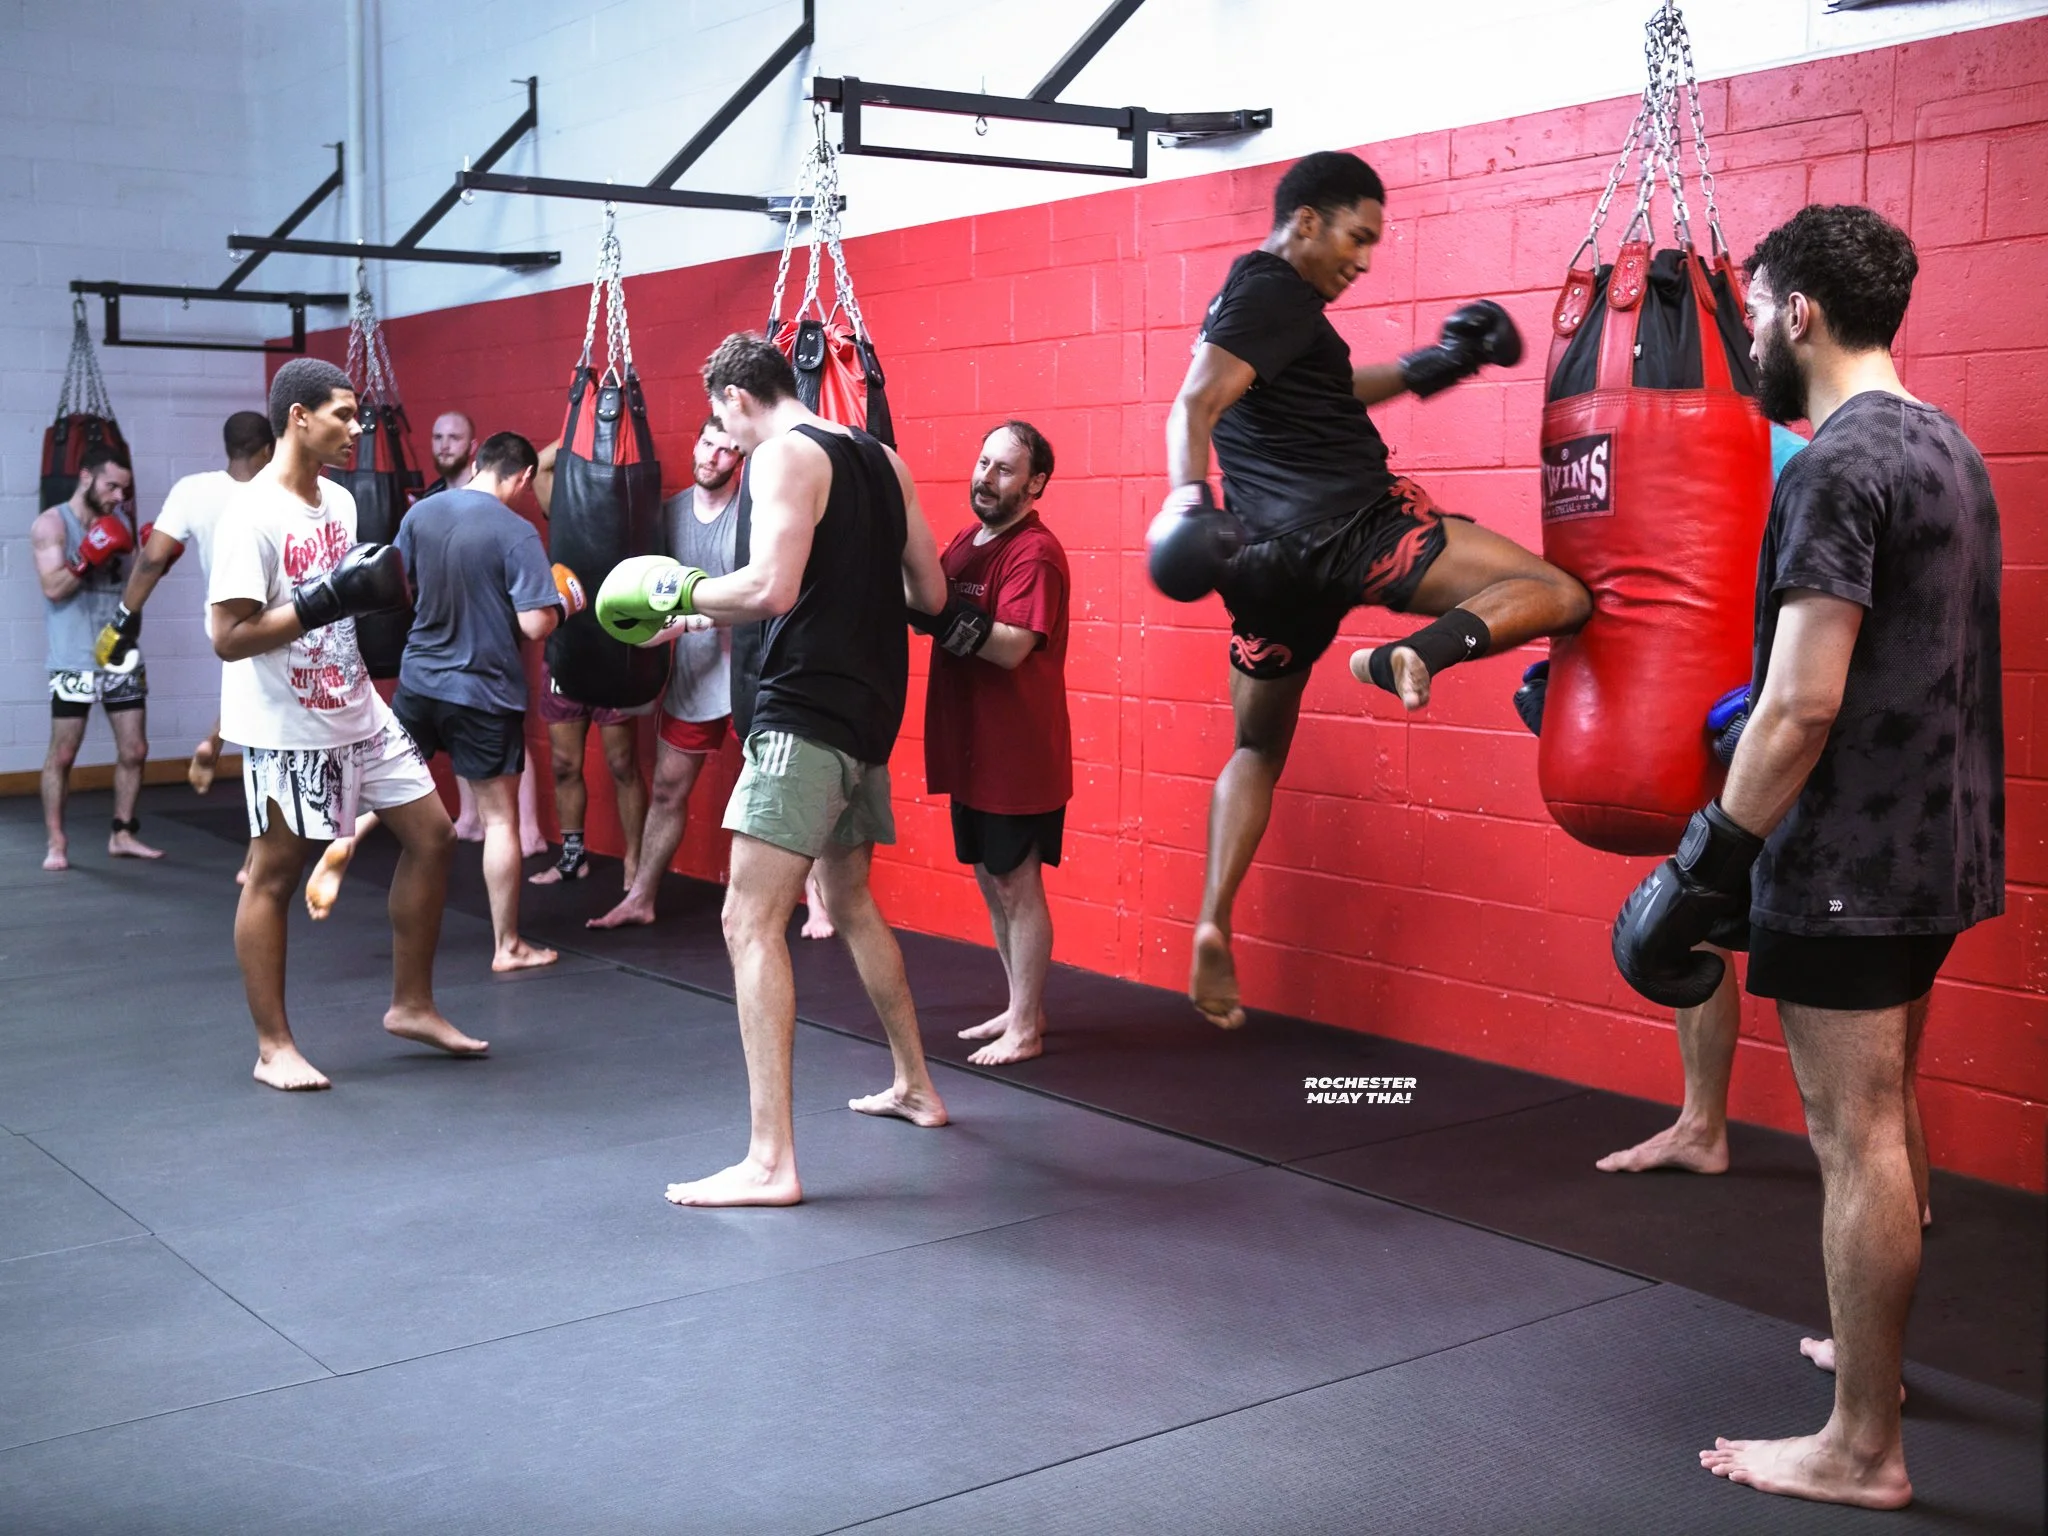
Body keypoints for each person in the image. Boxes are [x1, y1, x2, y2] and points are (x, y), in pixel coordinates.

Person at [1611, 205, 2003, 1509]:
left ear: (1802, 314)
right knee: (1892, 1108)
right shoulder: (1949, 446)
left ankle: (1860, 1447)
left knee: (1856, 1132)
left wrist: (1712, 856)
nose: (1749, 343)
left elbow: (1803, 699)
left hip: (1849, 854)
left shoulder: (1833, 465)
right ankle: (1872, 1367)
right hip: (1937, 845)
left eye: (1759, 312)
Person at [1153, 150, 1591, 1029]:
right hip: (1363, 533)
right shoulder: (1269, 288)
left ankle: (1212, 918)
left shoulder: (1270, 315)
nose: (1364, 258)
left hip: (1266, 572)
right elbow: (1190, 404)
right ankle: (1410, 654)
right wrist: (1183, 497)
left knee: (1255, 750)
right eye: (1357, 236)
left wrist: (1440, 363)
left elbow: (1336, 389)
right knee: (1560, 593)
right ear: (1306, 220)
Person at [596, 332, 950, 1208]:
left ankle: (770, 1162)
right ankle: (917, 1085)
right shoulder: (881, 459)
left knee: (747, 920)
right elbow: (932, 598)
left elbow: (767, 591)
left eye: (723, 419)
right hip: (869, 719)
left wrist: (675, 593)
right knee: (853, 899)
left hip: (804, 716)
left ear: (737, 399)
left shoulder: (784, 454)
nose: (726, 439)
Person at [210, 356, 486, 1091]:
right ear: (298, 418)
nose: (356, 428)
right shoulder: (250, 514)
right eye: (343, 414)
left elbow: (336, 603)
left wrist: (358, 599)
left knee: (432, 837)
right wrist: (322, 602)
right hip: (285, 724)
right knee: (273, 874)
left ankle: (412, 1005)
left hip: (357, 705)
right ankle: (274, 1048)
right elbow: (227, 636)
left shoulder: (340, 502)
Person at [304, 432, 573, 971]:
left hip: (420, 681)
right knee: (499, 821)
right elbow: (533, 623)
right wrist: (565, 604)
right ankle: (507, 946)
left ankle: (347, 840)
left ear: (476, 463)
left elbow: (394, 585)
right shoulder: (517, 532)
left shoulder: (421, 514)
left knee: (394, 782)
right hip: (484, 692)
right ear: (522, 479)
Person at [914, 420, 1071, 1066]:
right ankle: (1019, 1005)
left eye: (1004, 469)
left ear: (1035, 484)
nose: (985, 477)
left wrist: (936, 611)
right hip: (970, 744)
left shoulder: (1033, 552)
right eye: (983, 462)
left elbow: (1009, 647)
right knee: (989, 878)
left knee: (1017, 883)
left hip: (1017, 751)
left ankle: (1028, 1028)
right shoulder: (966, 541)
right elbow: (929, 596)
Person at [586, 417, 744, 929]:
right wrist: (665, 626)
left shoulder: (756, 515)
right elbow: (646, 602)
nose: (712, 456)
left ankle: (818, 897)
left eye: (726, 449)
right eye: (707, 443)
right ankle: (642, 897)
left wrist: (705, 615)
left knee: (781, 794)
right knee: (670, 789)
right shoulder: (667, 518)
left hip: (751, 678)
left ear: (740, 459)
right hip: (694, 677)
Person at [100, 411, 276, 802]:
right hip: (275, 623)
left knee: (254, 696)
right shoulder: (281, 492)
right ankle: (257, 850)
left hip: (223, 625)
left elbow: (150, 560)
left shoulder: (192, 490)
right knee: (269, 727)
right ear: (269, 449)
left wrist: (122, 620)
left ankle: (215, 740)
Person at [529, 436, 652, 888]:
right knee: (564, 763)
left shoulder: (633, 512)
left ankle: (635, 862)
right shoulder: (563, 509)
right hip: (567, 651)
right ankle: (572, 857)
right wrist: (582, 421)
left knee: (623, 764)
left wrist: (616, 431)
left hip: (616, 652)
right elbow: (540, 466)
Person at [31, 444, 160, 870]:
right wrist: (87, 554)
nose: (119, 497)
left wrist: (152, 564)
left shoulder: (119, 521)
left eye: (124, 489)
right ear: (86, 477)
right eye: (111, 486)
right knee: (63, 754)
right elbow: (53, 587)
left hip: (119, 655)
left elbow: (131, 595)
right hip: (72, 659)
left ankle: (122, 834)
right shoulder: (52, 524)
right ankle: (56, 841)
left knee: (135, 749)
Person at [423, 410, 477, 496]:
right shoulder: (429, 497)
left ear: (472, 447)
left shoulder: (487, 494)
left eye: (454, 438)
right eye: (438, 437)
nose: (444, 446)